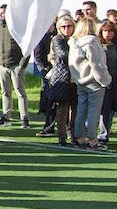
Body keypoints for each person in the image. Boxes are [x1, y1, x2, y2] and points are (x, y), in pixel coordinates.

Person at [68, 16, 111, 150]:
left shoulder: (74, 42)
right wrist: (105, 79)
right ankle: (92, 139)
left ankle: (79, 137)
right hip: (93, 80)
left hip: (80, 79)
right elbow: (97, 63)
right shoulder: (92, 41)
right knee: (94, 110)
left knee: (81, 109)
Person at [43, 14, 79, 146]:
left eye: (69, 26)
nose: (66, 29)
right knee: (62, 108)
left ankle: (74, 134)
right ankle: (62, 136)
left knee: (75, 109)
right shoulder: (58, 40)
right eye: (63, 26)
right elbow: (62, 55)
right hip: (62, 77)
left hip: (76, 77)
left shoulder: (77, 39)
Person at [0, 4, 29, 128]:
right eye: (0, 13)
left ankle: (24, 117)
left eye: (3, 13)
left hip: (16, 64)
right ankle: (6, 116)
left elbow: (27, 46)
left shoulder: (18, 27)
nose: (1, 15)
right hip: (2, 65)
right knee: (5, 92)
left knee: (20, 92)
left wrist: (22, 64)